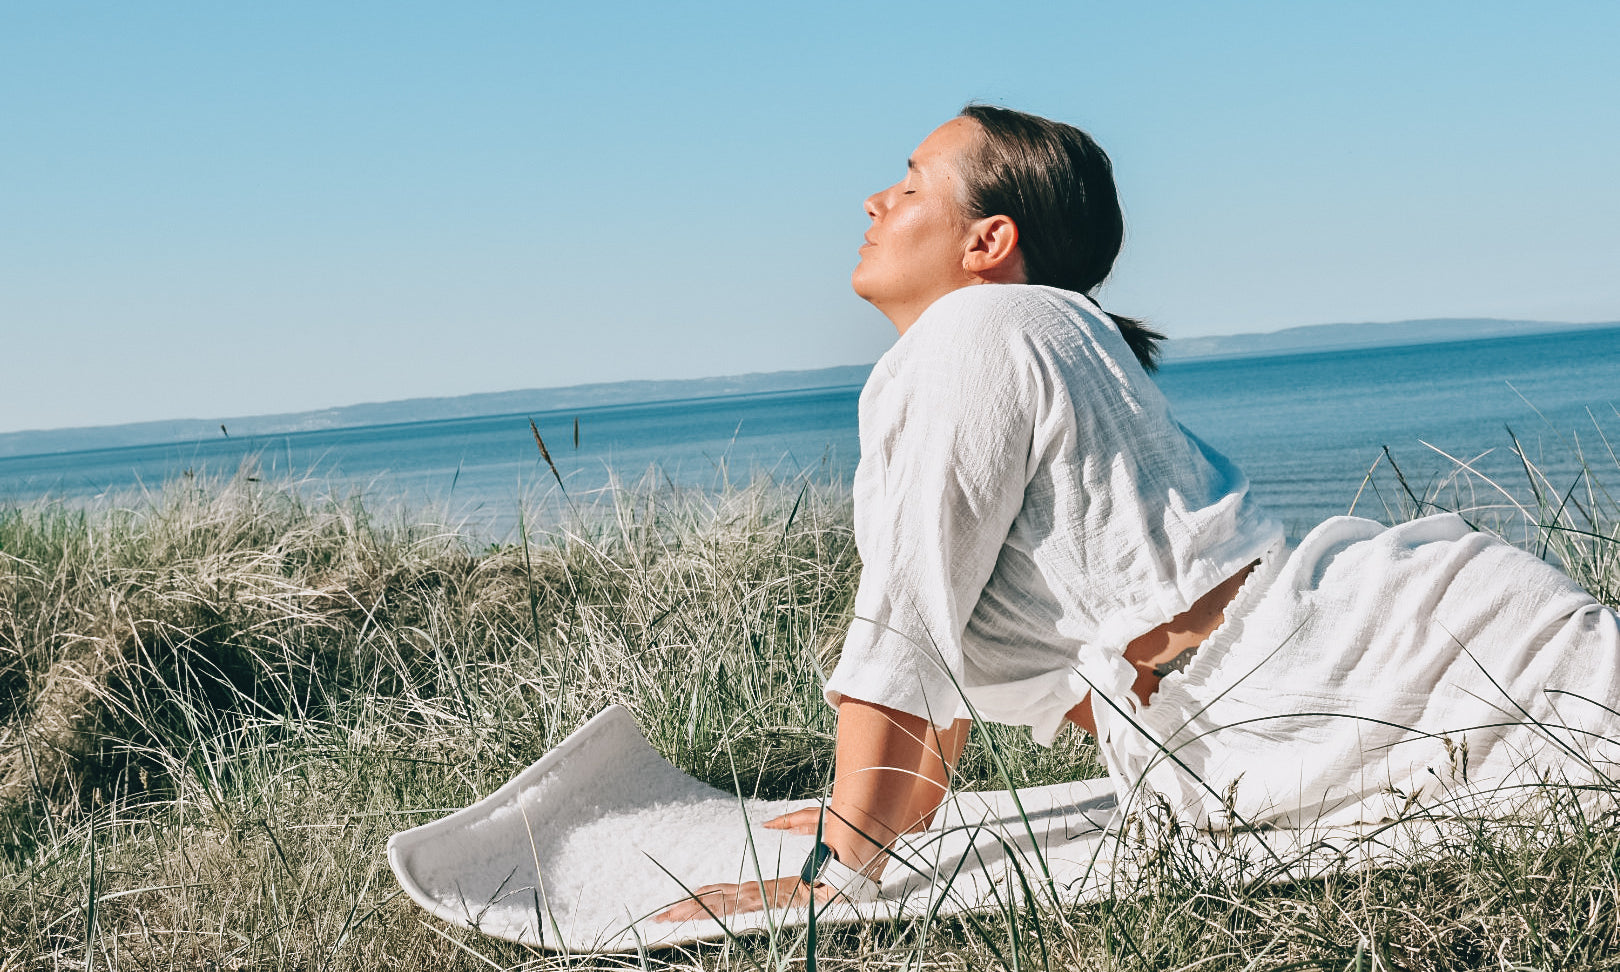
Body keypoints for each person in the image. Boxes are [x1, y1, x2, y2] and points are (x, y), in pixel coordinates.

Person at [654, 106, 1620, 923]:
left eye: (910, 187)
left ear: (989, 241)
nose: (875, 201)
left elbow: (902, 614)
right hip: (1392, 661)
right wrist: (888, 813)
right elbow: (946, 614)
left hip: (1413, 670)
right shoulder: (1028, 332)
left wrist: (836, 875)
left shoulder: (978, 329)